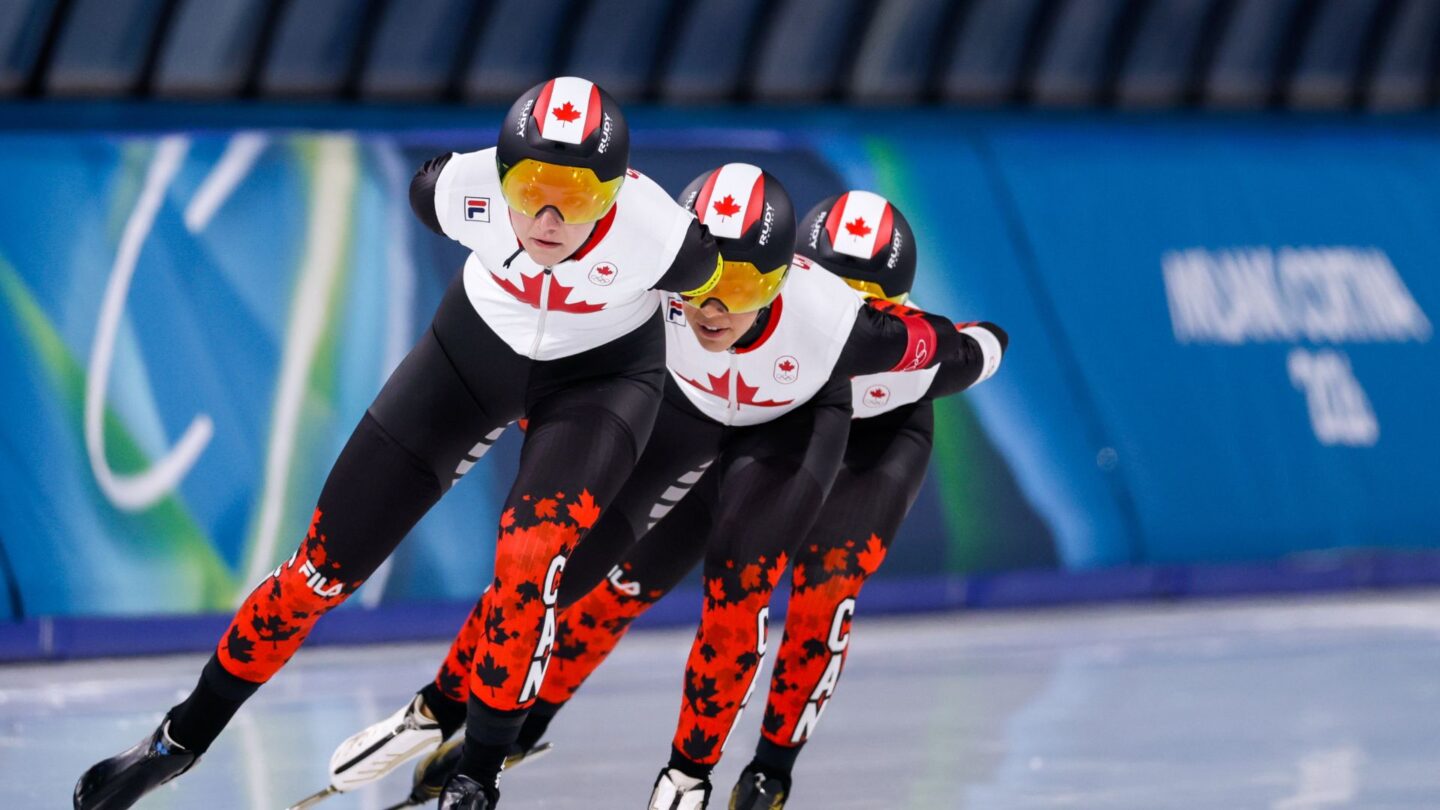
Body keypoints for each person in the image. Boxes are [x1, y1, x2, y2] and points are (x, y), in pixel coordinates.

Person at [73, 76, 726, 810]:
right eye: (529, 189)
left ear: (614, 196)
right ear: (500, 177)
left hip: (598, 383)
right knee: (317, 573)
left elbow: (720, 314)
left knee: (529, 569)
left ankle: (476, 778)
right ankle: (177, 741)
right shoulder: (459, 191)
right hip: (471, 357)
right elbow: (434, 185)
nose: (546, 217)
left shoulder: (666, 240)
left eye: (574, 198)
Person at [322, 173, 1005, 809]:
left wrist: (983, 340)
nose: (850, 310)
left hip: (860, 441)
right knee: (608, 580)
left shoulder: (876, 348)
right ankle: (503, 712)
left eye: (869, 307)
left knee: (816, 590)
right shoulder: (699, 299)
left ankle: (768, 769)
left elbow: (973, 350)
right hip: (729, 418)